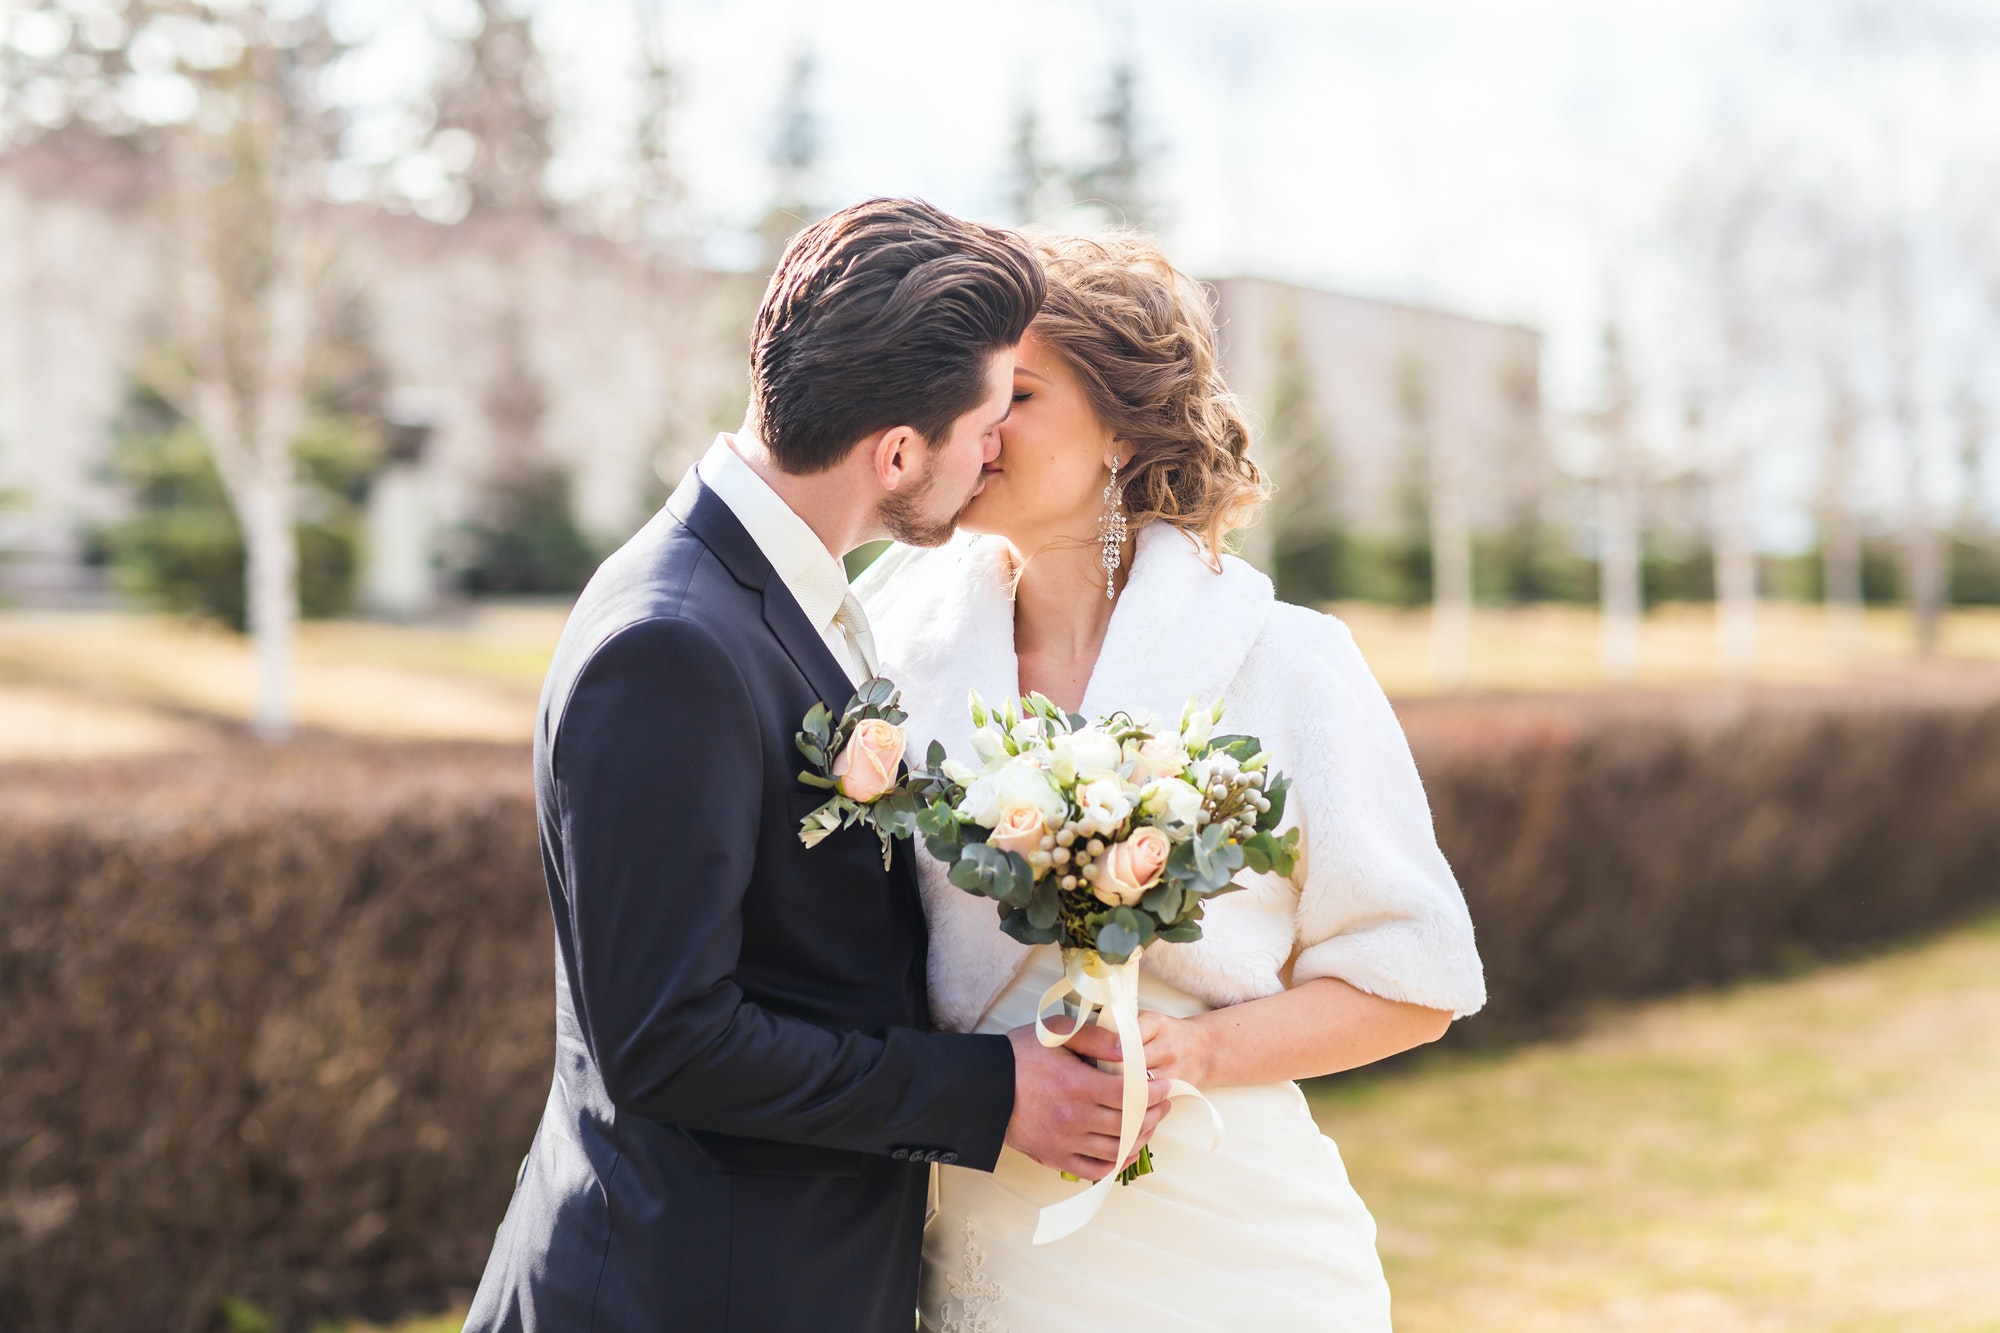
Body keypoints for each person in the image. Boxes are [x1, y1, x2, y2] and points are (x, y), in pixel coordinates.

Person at [464, 200, 1170, 1333]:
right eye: (986, 419)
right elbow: (666, 1042)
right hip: (682, 1291)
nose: (995, 447)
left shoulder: (778, 590)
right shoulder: (671, 642)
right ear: (895, 450)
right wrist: (990, 1096)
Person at [857, 232, 1488, 1332]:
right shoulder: (882, 665)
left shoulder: (1290, 662)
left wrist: (1192, 1050)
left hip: (1233, 1246)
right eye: (966, 392)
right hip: (988, 1239)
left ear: (1121, 429)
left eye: (1016, 392)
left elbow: (1412, 977)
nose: (977, 423)